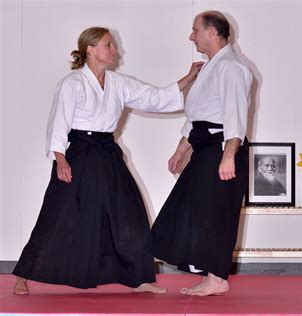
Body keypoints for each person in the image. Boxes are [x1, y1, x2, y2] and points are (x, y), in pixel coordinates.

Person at [12, 26, 203, 295]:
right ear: (90, 49)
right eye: (108, 45)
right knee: (58, 213)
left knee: (129, 212)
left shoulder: (118, 83)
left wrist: (189, 78)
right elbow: (58, 123)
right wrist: (60, 159)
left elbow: (154, 97)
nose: (115, 50)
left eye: (112, 45)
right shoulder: (73, 83)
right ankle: (23, 273)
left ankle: (138, 277)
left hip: (106, 151)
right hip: (78, 152)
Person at [149, 11, 252, 296]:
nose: (191, 36)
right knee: (191, 210)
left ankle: (218, 278)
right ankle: (211, 274)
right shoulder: (211, 67)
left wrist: (229, 154)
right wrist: (181, 149)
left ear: (211, 33)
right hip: (206, 148)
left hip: (222, 148)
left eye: (195, 30)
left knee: (216, 214)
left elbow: (235, 114)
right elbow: (198, 116)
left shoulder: (231, 66)